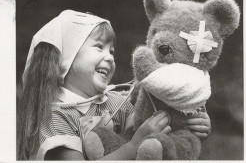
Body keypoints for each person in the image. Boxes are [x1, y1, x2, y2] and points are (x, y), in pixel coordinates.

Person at [17, 10, 211, 160]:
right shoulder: (55, 117)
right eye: (99, 47)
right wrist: (133, 147)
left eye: (112, 51)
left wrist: (191, 123)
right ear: (62, 61)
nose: (109, 57)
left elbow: (157, 121)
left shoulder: (117, 101)